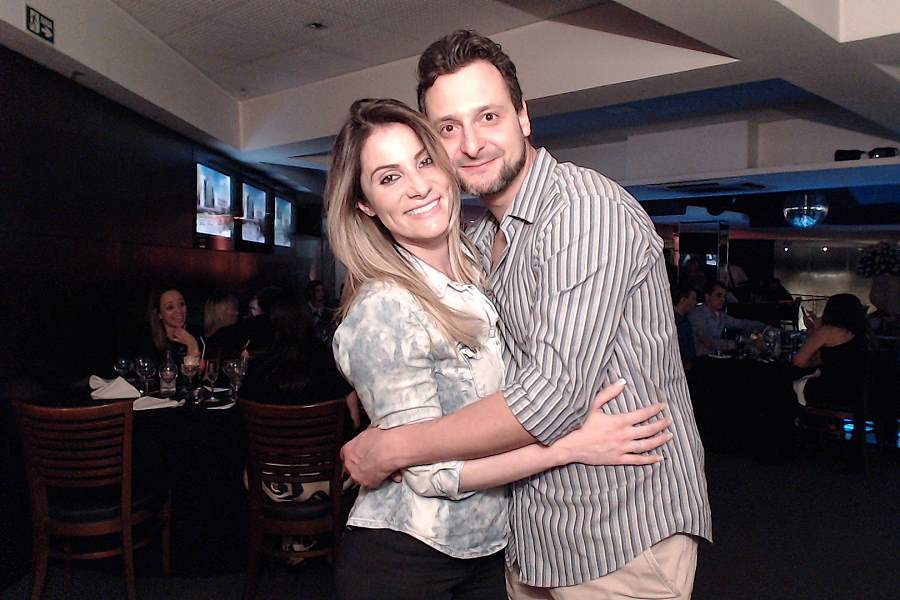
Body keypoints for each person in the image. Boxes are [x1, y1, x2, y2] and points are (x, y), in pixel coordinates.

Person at [341, 31, 711, 599]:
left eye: (488, 116)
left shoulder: (584, 212)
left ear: (524, 116)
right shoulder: (477, 243)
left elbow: (550, 396)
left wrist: (396, 446)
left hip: (618, 530)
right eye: (448, 129)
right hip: (530, 537)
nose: (471, 144)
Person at [690, 280, 766, 357]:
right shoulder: (697, 314)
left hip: (715, 356)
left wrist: (765, 326)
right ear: (707, 296)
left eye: (724, 296)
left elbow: (741, 323)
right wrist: (737, 344)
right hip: (699, 358)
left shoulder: (720, 316)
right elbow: (708, 341)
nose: (723, 299)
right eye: (719, 296)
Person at [146, 287, 201, 365]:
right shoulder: (149, 340)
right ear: (159, 314)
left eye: (181, 304)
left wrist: (192, 345)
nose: (179, 310)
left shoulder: (199, 335)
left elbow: (192, 371)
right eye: (170, 307)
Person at [203, 291, 242, 358]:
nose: (237, 313)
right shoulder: (225, 336)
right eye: (233, 308)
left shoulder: (230, 334)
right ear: (220, 311)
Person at [673, 286, 698, 371]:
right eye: (693, 299)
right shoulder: (672, 321)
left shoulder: (685, 320)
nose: (696, 302)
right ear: (683, 300)